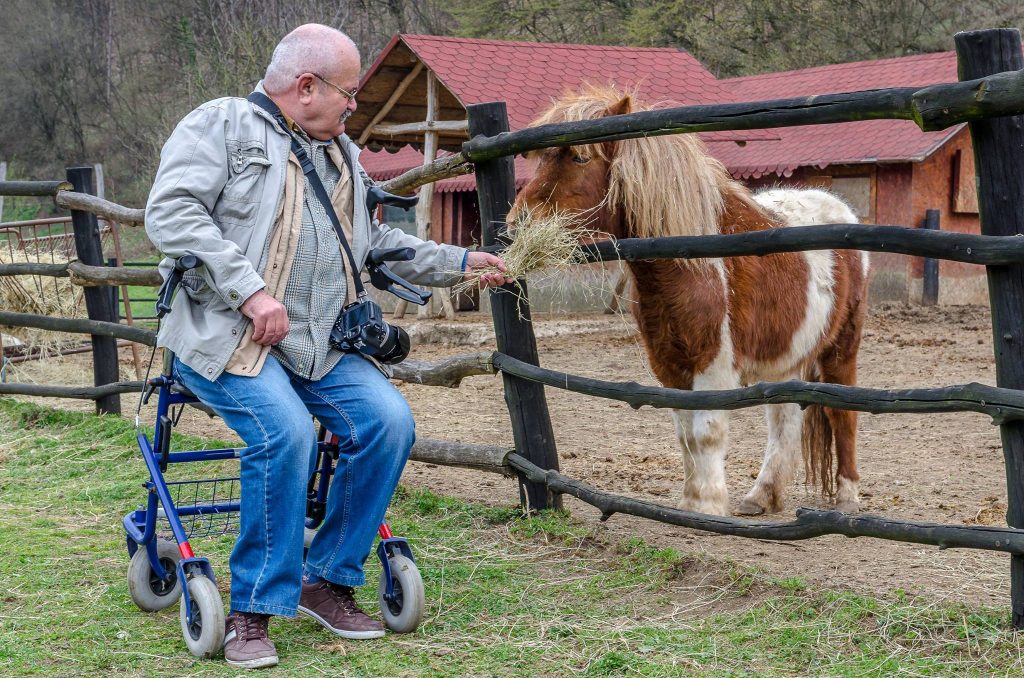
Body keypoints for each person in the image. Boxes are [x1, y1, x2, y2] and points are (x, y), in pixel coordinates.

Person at [145, 23, 509, 670]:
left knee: (388, 422)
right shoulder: (221, 125)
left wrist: (459, 261)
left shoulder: (340, 153)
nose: (354, 105)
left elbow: (374, 244)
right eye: (348, 92)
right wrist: (251, 293)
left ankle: (328, 579)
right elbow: (172, 214)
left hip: (320, 345)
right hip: (230, 341)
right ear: (307, 86)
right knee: (285, 433)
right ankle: (254, 609)